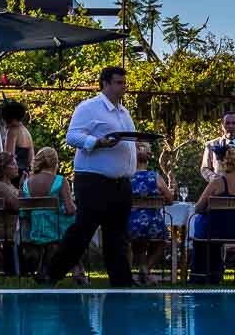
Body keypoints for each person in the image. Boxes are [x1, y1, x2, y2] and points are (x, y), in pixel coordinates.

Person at [43, 65, 139, 288]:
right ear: (105, 84)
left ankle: (121, 280)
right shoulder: (89, 108)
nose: (123, 87)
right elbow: (73, 136)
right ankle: (53, 272)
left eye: (124, 83)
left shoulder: (124, 113)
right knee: (84, 230)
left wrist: (137, 150)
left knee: (117, 235)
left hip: (121, 182)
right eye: (118, 83)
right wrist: (96, 142)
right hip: (94, 180)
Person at [190, 145, 235, 284]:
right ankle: (215, 272)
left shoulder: (217, 182)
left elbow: (198, 207)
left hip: (212, 231)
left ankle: (200, 274)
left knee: (199, 220)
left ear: (221, 162)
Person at [20, 146, 80, 282]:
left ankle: (45, 270)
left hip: (35, 231)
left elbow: (24, 212)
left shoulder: (26, 183)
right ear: (55, 162)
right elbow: (70, 210)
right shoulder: (60, 181)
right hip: (57, 231)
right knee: (78, 227)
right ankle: (77, 269)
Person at [126, 141, 173, 284]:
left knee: (134, 241)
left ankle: (129, 274)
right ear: (149, 156)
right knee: (163, 240)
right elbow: (170, 200)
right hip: (153, 226)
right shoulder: (155, 177)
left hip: (130, 226)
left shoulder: (125, 177)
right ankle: (146, 268)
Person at [0, 99, 34, 178]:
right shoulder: (26, 131)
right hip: (26, 174)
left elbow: (8, 157)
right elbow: (31, 158)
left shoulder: (12, 132)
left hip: (14, 174)